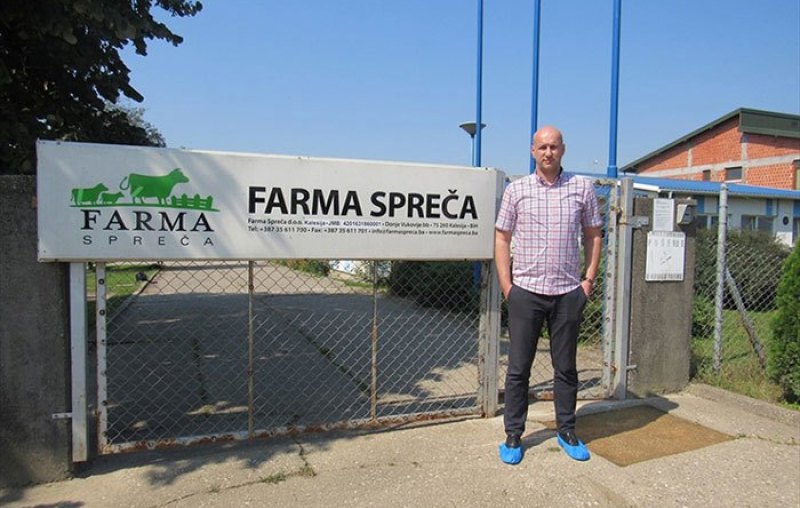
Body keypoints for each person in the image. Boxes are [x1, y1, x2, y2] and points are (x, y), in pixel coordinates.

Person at [495, 125, 603, 464]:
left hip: (567, 293)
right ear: (532, 151)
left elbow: (594, 234)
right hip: (525, 293)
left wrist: (588, 281)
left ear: (563, 150)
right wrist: (507, 286)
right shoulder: (517, 190)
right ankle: (514, 435)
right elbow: (501, 238)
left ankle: (566, 429)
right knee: (518, 369)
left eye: (553, 147)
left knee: (566, 368)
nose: (548, 152)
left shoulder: (581, 187)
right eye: (542, 147)